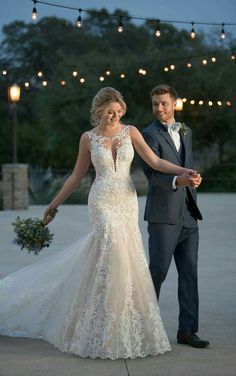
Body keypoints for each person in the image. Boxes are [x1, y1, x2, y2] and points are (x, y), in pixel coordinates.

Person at [0, 87, 199, 360]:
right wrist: (53, 204)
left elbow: (155, 161)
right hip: (102, 201)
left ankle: (115, 325)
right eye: (109, 112)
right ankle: (101, 328)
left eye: (118, 112)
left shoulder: (131, 132)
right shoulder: (88, 139)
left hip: (127, 201)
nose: (114, 116)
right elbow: (74, 176)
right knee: (111, 248)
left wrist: (183, 171)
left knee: (123, 260)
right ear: (99, 111)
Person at [142, 84, 209, 349]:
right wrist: (178, 181)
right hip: (163, 216)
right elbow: (153, 175)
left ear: (174, 104)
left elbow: (187, 167)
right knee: (157, 271)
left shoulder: (186, 131)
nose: (159, 108)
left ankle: (187, 331)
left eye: (164, 103)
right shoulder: (148, 135)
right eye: (155, 103)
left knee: (190, 274)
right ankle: (144, 330)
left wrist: (193, 182)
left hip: (188, 216)